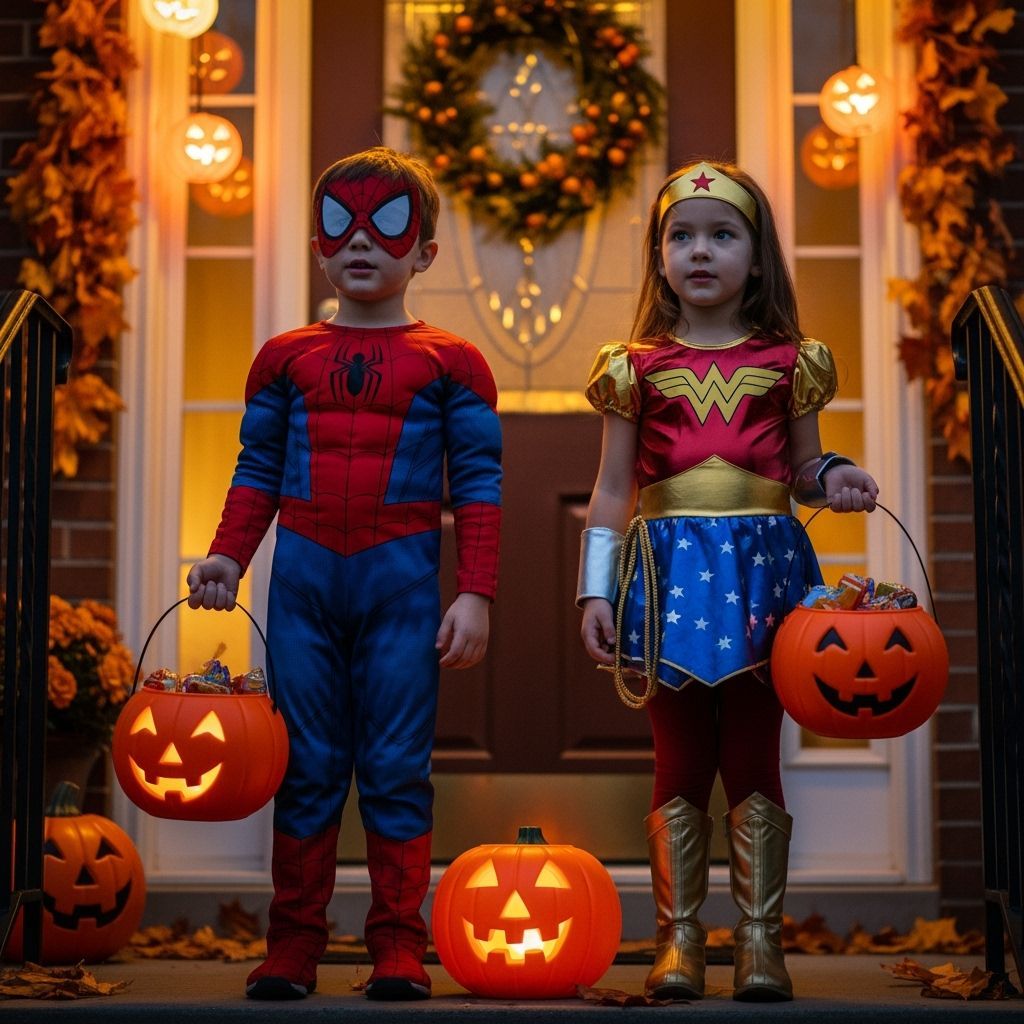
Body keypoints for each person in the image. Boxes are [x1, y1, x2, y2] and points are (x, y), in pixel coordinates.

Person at [186, 147, 502, 1002]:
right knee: (309, 764)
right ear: (320, 248)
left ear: (424, 253)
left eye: (386, 225)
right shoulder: (284, 357)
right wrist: (227, 554)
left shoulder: (455, 363)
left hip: (401, 586)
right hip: (304, 586)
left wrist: (475, 592)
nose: (361, 242)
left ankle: (398, 946)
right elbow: (257, 469)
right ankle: (294, 944)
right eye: (340, 226)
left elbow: (478, 486)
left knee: (397, 767)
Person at [576, 160, 877, 1003]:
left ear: (757, 254)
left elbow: (807, 469)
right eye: (681, 236)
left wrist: (840, 476)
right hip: (665, 577)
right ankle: (678, 942)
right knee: (677, 759)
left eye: (721, 234)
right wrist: (594, 589)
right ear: (659, 256)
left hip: (766, 577)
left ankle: (757, 941)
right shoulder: (633, 367)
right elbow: (610, 488)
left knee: (752, 753)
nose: (699, 251)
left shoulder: (791, 362)